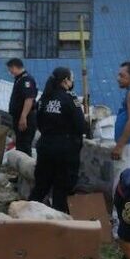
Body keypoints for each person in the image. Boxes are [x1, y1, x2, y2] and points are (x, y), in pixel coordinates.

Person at [28, 68, 86, 213]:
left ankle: (25, 217)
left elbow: (39, 123)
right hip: (65, 150)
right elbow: (81, 126)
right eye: (72, 79)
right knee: (62, 189)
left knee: (41, 186)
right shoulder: (71, 98)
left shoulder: (43, 98)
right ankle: (58, 222)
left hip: (46, 146)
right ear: (65, 80)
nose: (73, 82)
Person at [7, 58, 38, 156]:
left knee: (24, 145)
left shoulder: (26, 79)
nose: (10, 72)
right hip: (19, 117)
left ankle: (26, 168)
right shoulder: (19, 79)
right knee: (20, 144)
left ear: (14, 67)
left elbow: (29, 99)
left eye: (10, 69)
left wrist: (23, 117)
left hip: (25, 118)